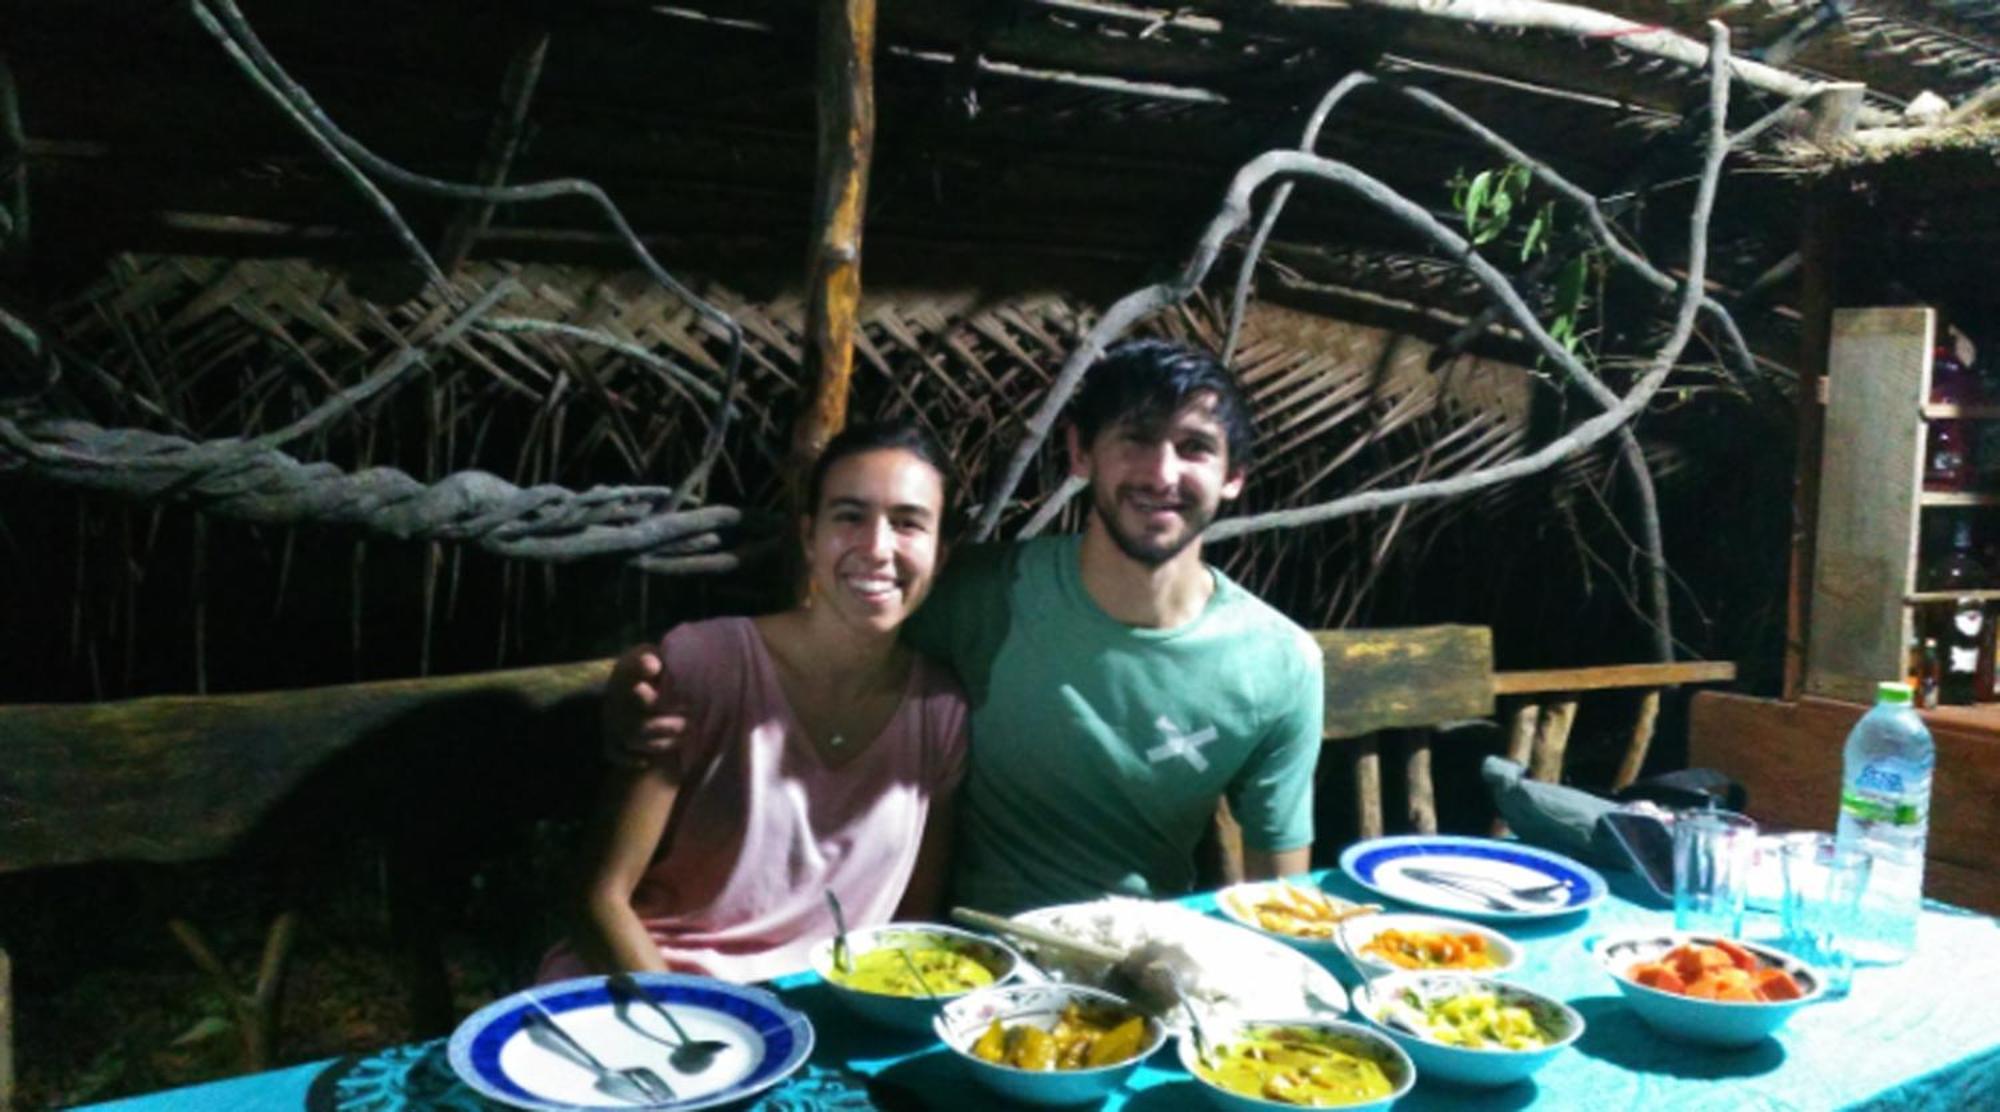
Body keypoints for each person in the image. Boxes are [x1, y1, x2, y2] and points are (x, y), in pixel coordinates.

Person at [609, 338, 1323, 915]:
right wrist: (646, 679)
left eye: (1195, 447)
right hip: (974, 954)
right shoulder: (983, 594)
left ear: (1235, 475)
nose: (1162, 471)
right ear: (1080, 453)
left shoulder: (1280, 663)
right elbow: (824, 639)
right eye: (1135, 437)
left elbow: (1277, 899)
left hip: (1151, 959)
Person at [541, 421, 968, 983]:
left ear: (941, 552)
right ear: (810, 538)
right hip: (647, 992)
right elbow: (601, 899)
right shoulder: (710, 666)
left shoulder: (939, 714)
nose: (876, 547)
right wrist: (707, 1026)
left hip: (815, 1020)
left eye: (907, 523)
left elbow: (907, 935)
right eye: (849, 517)